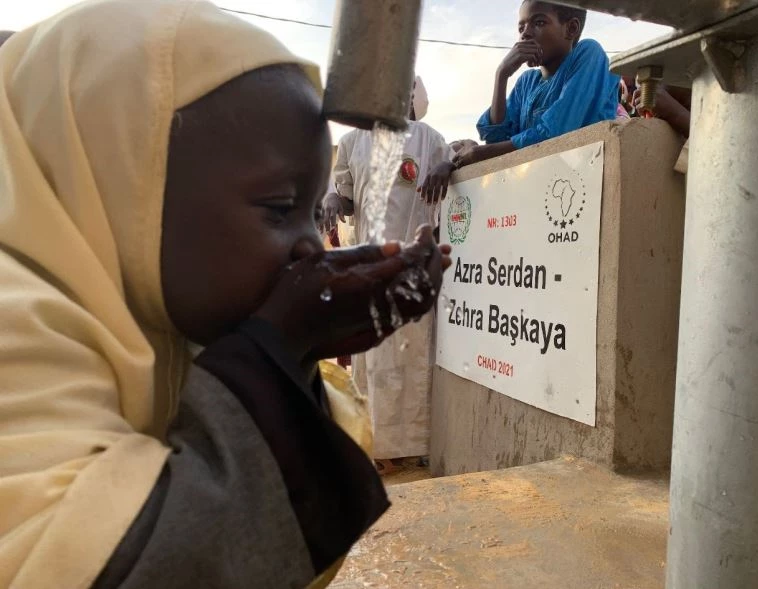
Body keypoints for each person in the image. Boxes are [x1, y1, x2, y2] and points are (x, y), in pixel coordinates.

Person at [0, 2, 451, 588]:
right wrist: (277, 351)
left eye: (312, 213)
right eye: (277, 209)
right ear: (115, 185)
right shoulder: (16, 332)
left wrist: (299, 355)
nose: (311, 248)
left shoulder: (163, 313)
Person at [322, 76, 453, 474]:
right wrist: (332, 197)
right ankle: (375, 446)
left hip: (414, 264)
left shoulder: (429, 138)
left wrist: (448, 165)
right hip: (369, 267)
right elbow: (344, 195)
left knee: (410, 357)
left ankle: (409, 449)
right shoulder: (350, 142)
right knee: (373, 361)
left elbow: (455, 174)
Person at [453, 1, 620, 168]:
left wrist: (480, 153)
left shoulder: (589, 54)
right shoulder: (526, 82)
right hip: (537, 185)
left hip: (586, 181)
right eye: (521, 28)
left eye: (539, 23)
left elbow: (556, 134)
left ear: (571, 29)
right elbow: (497, 141)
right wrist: (501, 75)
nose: (525, 34)